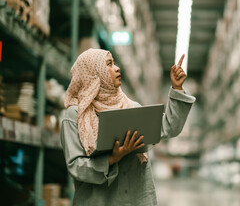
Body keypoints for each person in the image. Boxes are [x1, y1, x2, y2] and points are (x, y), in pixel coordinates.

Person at [60, 48, 196, 206]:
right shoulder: (76, 115)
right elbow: (75, 166)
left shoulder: (131, 107)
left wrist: (177, 88)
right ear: (93, 73)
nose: (117, 68)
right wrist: (112, 159)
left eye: (114, 63)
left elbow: (169, 127)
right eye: (109, 64)